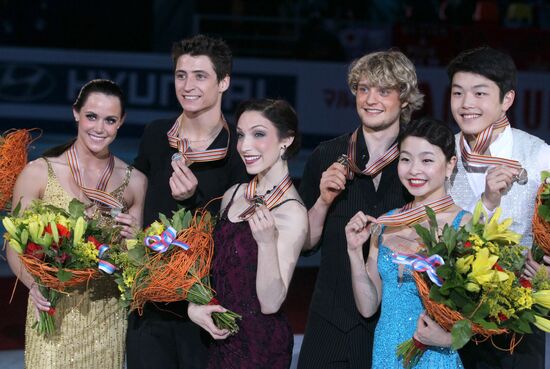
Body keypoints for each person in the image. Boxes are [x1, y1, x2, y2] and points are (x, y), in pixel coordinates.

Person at [127, 34, 249, 369]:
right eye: (181, 75)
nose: (188, 85)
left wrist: (194, 200)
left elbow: (238, 233)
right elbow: (135, 197)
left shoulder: (239, 149)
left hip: (205, 307)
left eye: (200, 76)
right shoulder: (155, 134)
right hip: (149, 304)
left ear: (224, 82)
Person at [6, 79, 147, 369]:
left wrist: (137, 240)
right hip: (53, 310)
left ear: (121, 122)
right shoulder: (39, 172)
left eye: (110, 120)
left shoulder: (135, 181)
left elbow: (137, 263)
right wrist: (33, 286)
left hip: (106, 317)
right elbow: (13, 244)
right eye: (91, 117)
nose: (99, 128)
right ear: (75, 114)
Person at [297, 50, 424, 369]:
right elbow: (306, 244)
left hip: (399, 324)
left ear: (404, 98)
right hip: (332, 322)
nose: (371, 99)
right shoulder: (327, 155)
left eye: (384, 90)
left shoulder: (422, 161)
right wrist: (324, 200)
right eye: (363, 89)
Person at [447, 47, 550, 369]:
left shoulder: (538, 155)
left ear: (507, 99)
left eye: (480, 93)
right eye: (458, 93)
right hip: (450, 316)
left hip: (520, 322)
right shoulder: (439, 155)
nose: (466, 104)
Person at [187, 99, 308, 369]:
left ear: (286, 140)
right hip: (219, 341)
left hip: (259, 348)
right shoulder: (233, 194)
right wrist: (194, 307)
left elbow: (271, 302)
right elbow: (213, 271)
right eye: (241, 135)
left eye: (259, 134)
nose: (245, 146)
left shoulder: (292, 212)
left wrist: (266, 243)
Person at [346, 117, 466, 368]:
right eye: (406, 159)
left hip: (435, 357)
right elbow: (368, 307)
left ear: (450, 165)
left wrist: (447, 339)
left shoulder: (465, 226)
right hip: (386, 352)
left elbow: (483, 315)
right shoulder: (386, 223)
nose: (414, 170)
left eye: (427, 160)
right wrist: (354, 251)